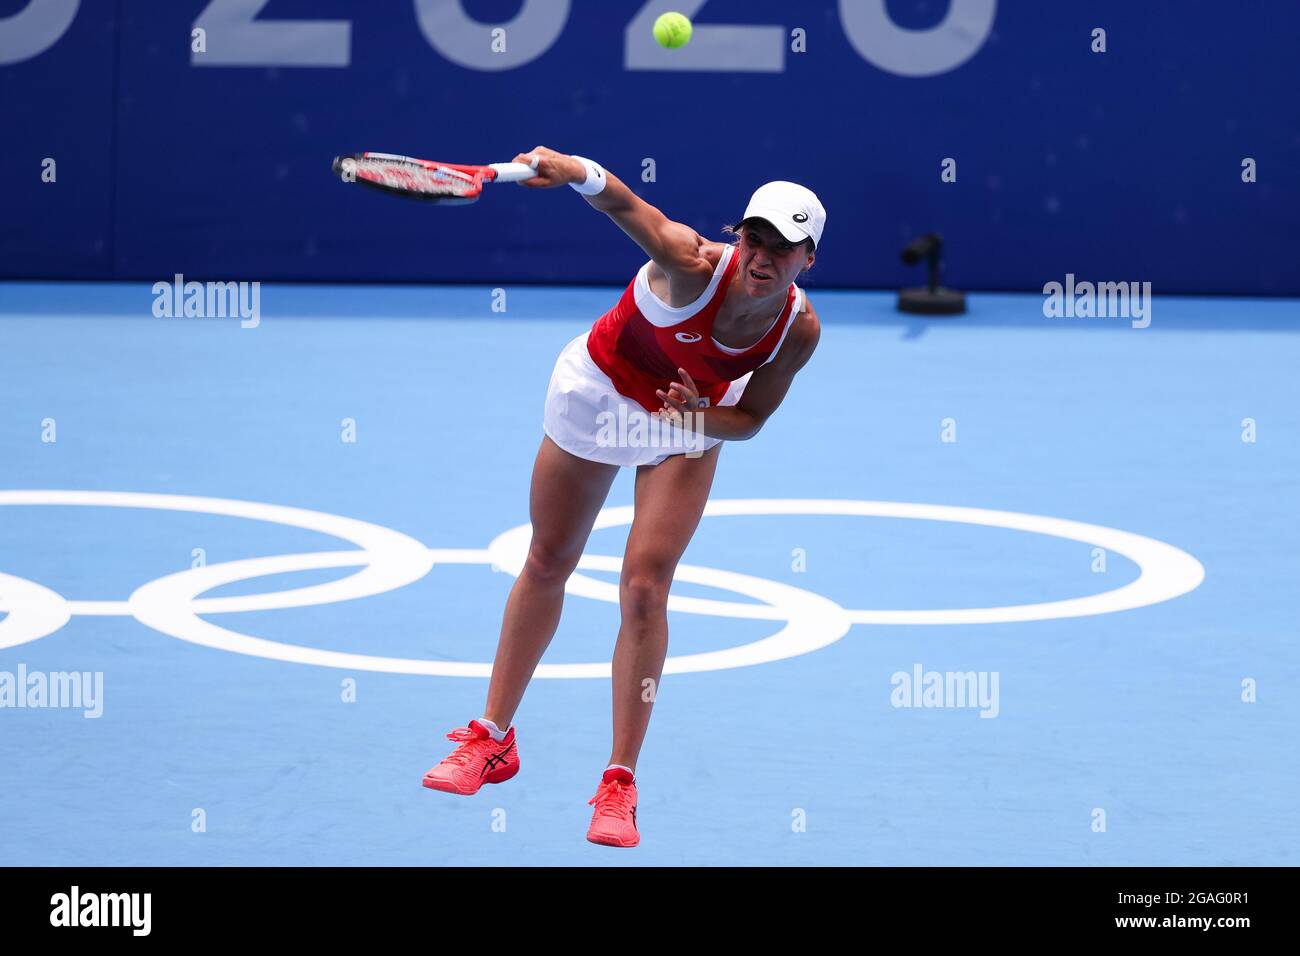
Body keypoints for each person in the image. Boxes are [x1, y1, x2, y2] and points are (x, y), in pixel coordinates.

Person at [422, 146, 825, 848]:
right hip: (601, 391)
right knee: (549, 559)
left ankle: (619, 783)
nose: (764, 257)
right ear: (739, 237)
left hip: (686, 415)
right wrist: (571, 168)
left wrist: (694, 417)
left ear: (808, 260)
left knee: (645, 589)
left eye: (784, 249)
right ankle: (490, 739)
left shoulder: (799, 331)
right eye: (755, 239)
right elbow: (622, 204)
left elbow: (752, 420)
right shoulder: (687, 262)